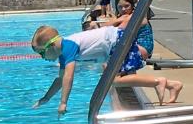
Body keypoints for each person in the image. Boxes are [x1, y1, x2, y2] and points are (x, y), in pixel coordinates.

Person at [31, 24, 174, 117]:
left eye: (42, 53)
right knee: (114, 79)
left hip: (117, 41)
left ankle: (158, 82)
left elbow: (68, 77)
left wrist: (63, 102)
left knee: (115, 80)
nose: (42, 57)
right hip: (115, 42)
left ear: (51, 46)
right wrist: (46, 98)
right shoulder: (64, 52)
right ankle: (172, 85)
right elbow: (60, 80)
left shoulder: (68, 47)